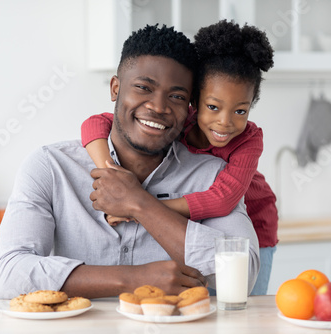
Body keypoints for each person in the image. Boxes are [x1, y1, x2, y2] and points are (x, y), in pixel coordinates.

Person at [0, 24, 259, 299]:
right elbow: (8, 275)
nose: (158, 106)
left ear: (189, 106)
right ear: (115, 88)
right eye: (144, 87)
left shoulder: (212, 176)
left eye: (177, 96)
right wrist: (131, 279)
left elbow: (242, 277)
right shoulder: (50, 167)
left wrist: (140, 204)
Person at [81, 20, 277, 295]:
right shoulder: (178, 120)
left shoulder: (249, 140)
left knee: (241, 300)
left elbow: (223, 199)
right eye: (213, 107)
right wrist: (113, 179)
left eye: (240, 111)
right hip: (197, 216)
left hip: (253, 219)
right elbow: (95, 123)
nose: (224, 122)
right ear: (194, 104)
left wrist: (138, 205)